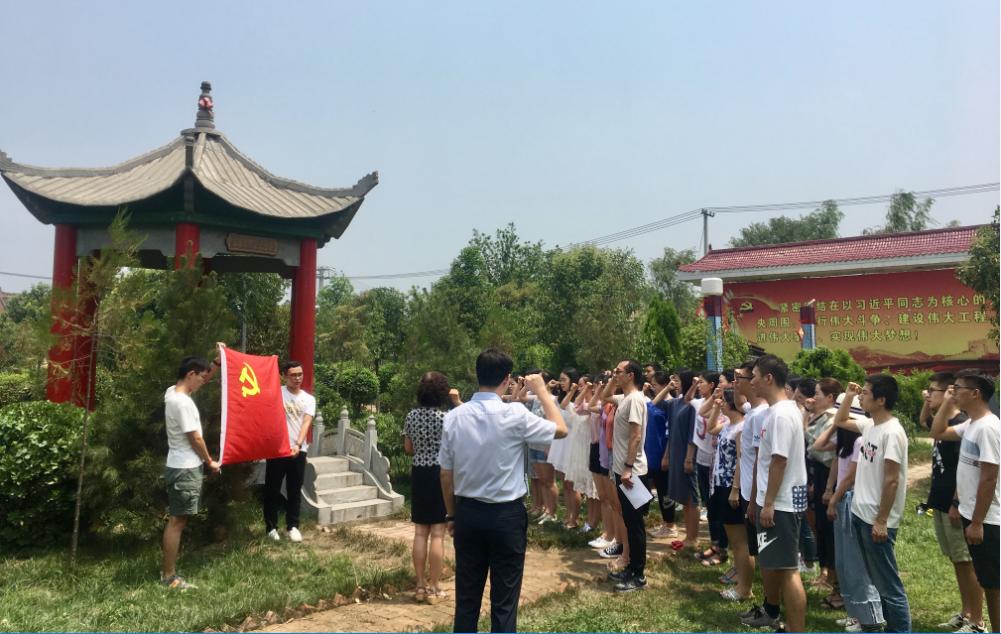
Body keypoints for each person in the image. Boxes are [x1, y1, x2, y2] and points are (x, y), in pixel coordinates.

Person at [439, 349, 567, 633]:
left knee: (467, 598)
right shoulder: (515, 414)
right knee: (505, 602)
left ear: (477, 374)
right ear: (507, 379)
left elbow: (446, 474)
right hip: (506, 516)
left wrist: (452, 515)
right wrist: (542, 391)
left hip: (468, 513)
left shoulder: (455, 417)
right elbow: (560, 429)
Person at [834, 377, 911, 633]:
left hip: (876, 520)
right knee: (878, 582)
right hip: (861, 513)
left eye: (865, 393)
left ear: (881, 400)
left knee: (889, 585)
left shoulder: (892, 432)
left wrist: (881, 520)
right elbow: (840, 420)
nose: (861, 397)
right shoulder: (870, 425)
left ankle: (899, 631)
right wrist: (848, 395)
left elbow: (892, 480)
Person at [931, 371, 1000, 634]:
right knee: (987, 580)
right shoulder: (971, 424)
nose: (953, 391)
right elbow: (937, 431)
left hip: (988, 518)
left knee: (993, 585)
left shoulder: (988, 428)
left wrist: (978, 522)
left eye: (957, 388)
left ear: (975, 394)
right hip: (973, 514)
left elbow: (989, 477)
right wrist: (948, 401)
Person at [743, 354, 807, 632]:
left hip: (780, 504)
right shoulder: (775, 412)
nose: (751, 382)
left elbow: (779, 461)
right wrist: (758, 501)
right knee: (775, 564)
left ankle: (796, 628)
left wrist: (768, 503)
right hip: (773, 501)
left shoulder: (781, 414)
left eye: (755, 376)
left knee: (788, 570)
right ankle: (775, 615)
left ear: (768, 378)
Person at [921, 372, 984, 632]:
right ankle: (965, 612)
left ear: (948, 391)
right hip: (940, 501)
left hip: (954, 504)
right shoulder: (945, 423)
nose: (928, 395)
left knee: (966, 562)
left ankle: (977, 620)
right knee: (957, 561)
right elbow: (926, 423)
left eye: (932, 391)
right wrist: (931, 402)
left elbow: (964, 467)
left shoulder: (960, 423)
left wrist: (956, 503)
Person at [818, 393, 884, 633]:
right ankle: (856, 614)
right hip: (844, 499)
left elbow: (851, 476)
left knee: (857, 562)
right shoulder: (847, 442)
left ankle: (870, 617)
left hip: (851, 500)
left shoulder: (861, 441)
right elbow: (819, 447)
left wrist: (834, 498)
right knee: (846, 562)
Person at [161, 353, 221, 590]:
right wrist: (209, 461)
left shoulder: (172, 393)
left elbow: (201, 379)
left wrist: (216, 363)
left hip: (178, 465)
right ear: (190, 374)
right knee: (177, 521)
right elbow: (195, 437)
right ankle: (169, 577)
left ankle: (168, 573)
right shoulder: (183, 403)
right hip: (185, 468)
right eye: (201, 377)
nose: (203, 382)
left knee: (178, 520)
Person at [602, 359, 651, 592]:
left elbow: (635, 435)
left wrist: (628, 467)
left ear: (631, 375)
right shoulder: (625, 398)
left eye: (619, 371)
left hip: (633, 473)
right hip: (624, 471)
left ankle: (638, 575)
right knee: (630, 524)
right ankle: (631, 567)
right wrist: (613, 379)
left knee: (635, 525)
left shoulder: (635, 400)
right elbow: (605, 396)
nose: (615, 374)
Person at [404, 372, 453, 604]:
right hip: (440, 474)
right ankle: (435, 588)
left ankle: (420, 586)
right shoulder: (446, 418)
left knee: (420, 533)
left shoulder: (411, 416)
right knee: (438, 534)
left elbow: (408, 448)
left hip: (419, 474)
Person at [263, 360, 316, 543]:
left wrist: (298, 445)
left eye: (300, 374)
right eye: (293, 375)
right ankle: (271, 527)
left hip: (298, 450)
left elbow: (306, 422)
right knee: (272, 489)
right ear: (285, 376)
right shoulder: (276, 394)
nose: (297, 378)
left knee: (294, 490)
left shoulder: (309, 399)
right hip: (277, 449)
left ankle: (293, 526)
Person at [705, 388, 748, 601]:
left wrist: (735, 489)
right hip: (720, 483)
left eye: (723, 401)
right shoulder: (728, 425)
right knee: (731, 535)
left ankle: (743, 581)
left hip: (731, 485)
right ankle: (737, 568)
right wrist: (715, 407)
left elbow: (741, 460)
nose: (720, 404)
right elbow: (711, 428)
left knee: (739, 538)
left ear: (730, 404)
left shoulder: (741, 428)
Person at [732, 361, 767, 605]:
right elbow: (738, 403)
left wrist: (752, 498)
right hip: (748, 490)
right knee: (755, 546)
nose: (737, 382)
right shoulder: (751, 410)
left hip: (756, 493)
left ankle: (768, 601)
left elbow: (758, 460)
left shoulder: (761, 414)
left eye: (742, 378)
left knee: (764, 551)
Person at [804, 377, 841, 606]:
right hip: (817, 474)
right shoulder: (818, 416)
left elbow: (818, 449)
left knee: (829, 530)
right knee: (820, 527)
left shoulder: (834, 419)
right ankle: (828, 577)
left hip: (828, 475)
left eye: (818, 393)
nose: (814, 397)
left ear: (830, 397)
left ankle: (835, 583)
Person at [661, 368, 701, 550]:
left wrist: (689, 458)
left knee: (692, 497)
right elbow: (670, 431)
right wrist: (667, 455)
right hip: (676, 453)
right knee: (683, 498)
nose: (674, 384)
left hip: (688, 455)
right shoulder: (675, 403)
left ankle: (694, 537)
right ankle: (687, 536)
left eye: (677, 380)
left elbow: (693, 433)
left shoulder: (693, 405)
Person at [645, 371, 678, 539]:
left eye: (655, 385)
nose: (652, 387)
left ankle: (671, 525)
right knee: (658, 488)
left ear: (665, 385)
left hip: (663, 453)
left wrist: (666, 456)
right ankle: (665, 523)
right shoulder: (655, 402)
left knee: (665, 490)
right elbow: (648, 408)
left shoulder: (671, 404)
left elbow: (671, 432)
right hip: (652, 453)